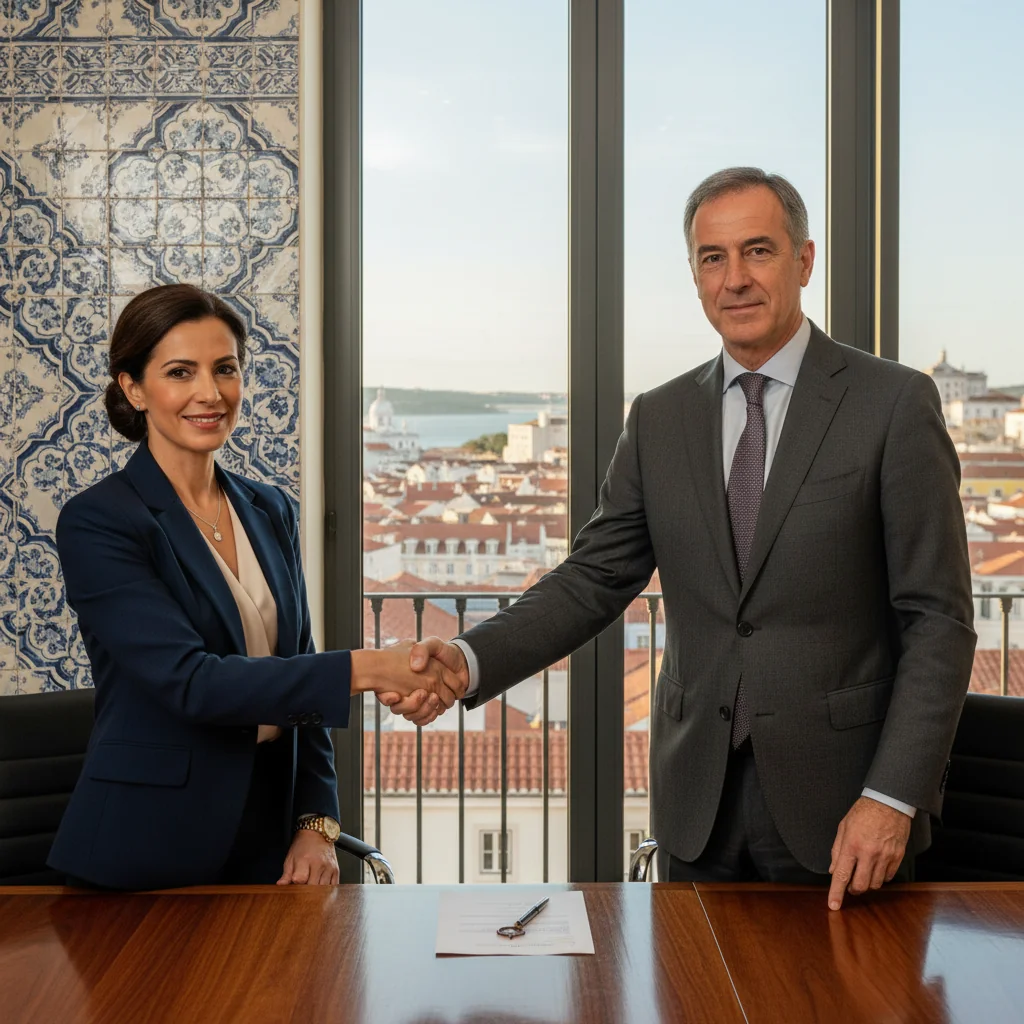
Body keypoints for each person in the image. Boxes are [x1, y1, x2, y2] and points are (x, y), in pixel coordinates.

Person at [390, 167, 977, 909]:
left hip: (848, 811)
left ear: (804, 260)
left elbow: (939, 621)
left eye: (758, 251)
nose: (734, 279)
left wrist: (892, 798)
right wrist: (468, 659)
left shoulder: (892, 403)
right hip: (696, 807)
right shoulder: (659, 417)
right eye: (712, 258)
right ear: (695, 276)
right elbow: (592, 580)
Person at [49, 284, 453, 890]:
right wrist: (370, 668)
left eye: (226, 369)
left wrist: (315, 823)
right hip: (146, 852)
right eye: (180, 372)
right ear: (133, 388)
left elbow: (301, 671)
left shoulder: (269, 509)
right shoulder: (99, 521)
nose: (210, 393)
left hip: (271, 843)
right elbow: (193, 683)